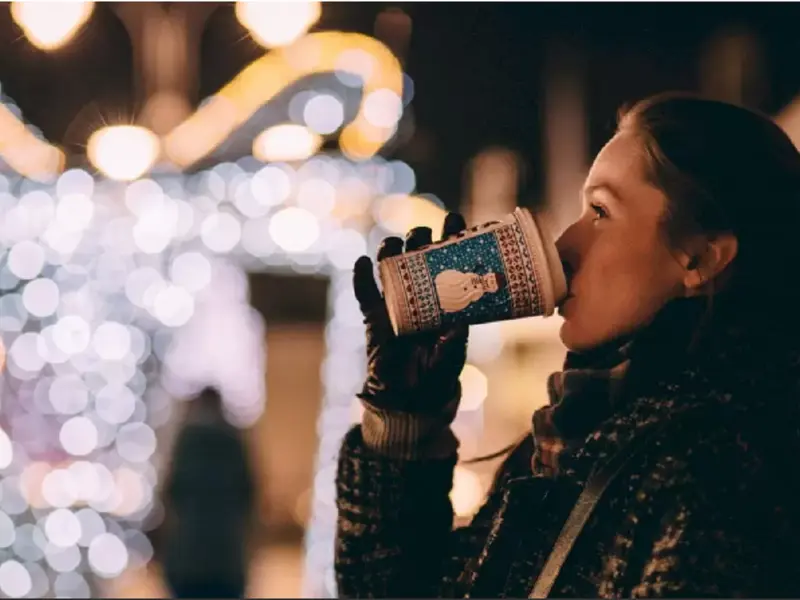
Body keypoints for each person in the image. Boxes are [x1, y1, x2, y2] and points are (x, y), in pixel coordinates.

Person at [335, 92, 800, 598]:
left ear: (700, 259)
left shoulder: (719, 473)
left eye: (601, 211)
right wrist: (405, 421)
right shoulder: (572, 440)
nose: (564, 247)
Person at [159, 386, 256, 598]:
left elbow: (171, 491)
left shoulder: (186, 441)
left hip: (188, 557)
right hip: (226, 557)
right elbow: (249, 492)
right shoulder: (233, 441)